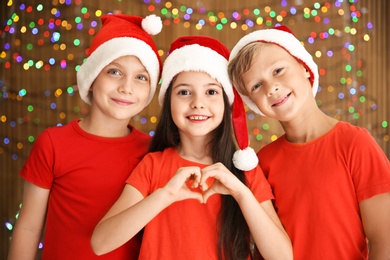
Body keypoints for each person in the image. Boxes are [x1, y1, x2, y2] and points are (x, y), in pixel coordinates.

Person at [91, 35, 293, 260]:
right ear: (169, 103)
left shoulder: (246, 172)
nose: (198, 102)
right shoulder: (153, 165)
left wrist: (241, 193)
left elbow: (282, 257)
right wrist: (165, 195)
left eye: (211, 92)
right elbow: (100, 243)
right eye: (184, 92)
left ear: (226, 103)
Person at [8, 14, 163, 259]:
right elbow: (28, 227)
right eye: (114, 72)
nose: (127, 87)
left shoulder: (153, 151)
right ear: (91, 79)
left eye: (141, 77)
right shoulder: (53, 144)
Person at [228, 25, 390, 259]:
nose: (271, 88)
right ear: (253, 102)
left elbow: (383, 239)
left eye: (278, 70)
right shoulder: (263, 162)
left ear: (304, 67)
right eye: (256, 85)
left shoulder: (354, 143)